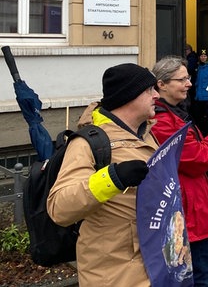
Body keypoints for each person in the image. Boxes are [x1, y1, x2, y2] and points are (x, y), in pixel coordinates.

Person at [47, 63, 159, 286]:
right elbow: (59, 207)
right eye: (150, 90)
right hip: (115, 274)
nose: (156, 95)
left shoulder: (145, 133)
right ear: (130, 94)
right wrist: (112, 178)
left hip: (152, 264)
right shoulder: (88, 142)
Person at [151, 56, 208, 287]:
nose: (189, 83)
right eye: (182, 79)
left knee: (202, 269)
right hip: (186, 210)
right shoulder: (162, 121)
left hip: (192, 205)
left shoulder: (175, 113)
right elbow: (197, 158)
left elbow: (193, 152)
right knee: (201, 274)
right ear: (162, 84)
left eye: (188, 78)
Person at [191, 50, 208, 137]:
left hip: (207, 95)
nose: (203, 58)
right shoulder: (199, 66)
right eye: (201, 56)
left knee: (207, 116)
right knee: (199, 116)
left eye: (205, 56)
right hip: (199, 96)